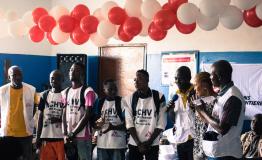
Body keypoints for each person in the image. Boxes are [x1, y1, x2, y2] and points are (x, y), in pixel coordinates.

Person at [196, 60, 245, 160]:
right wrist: (201, 110)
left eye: (211, 75)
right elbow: (212, 122)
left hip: (227, 154)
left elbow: (222, 129)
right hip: (217, 152)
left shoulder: (233, 97)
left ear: (219, 76)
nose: (210, 78)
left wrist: (202, 111)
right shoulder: (223, 94)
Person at [125, 69, 166, 160]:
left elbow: (161, 123)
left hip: (152, 142)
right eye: (135, 79)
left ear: (147, 80)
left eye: (139, 78)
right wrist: (139, 144)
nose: (136, 81)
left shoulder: (159, 97)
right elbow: (129, 123)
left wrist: (149, 142)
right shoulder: (129, 99)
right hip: (135, 142)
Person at [0, 65, 37, 160]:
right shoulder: (2, 91)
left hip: (26, 134)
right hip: (8, 134)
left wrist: (30, 121)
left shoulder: (31, 90)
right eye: (14, 75)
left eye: (19, 74)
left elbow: (36, 108)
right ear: (9, 77)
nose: (18, 77)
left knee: (27, 157)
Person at [62, 62, 97, 160]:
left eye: (75, 70)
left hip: (83, 137)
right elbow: (64, 114)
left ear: (82, 73)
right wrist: (65, 134)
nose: (71, 72)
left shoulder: (88, 91)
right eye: (71, 69)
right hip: (69, 138)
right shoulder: (66, 92)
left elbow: (87, 115)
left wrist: (73, 133)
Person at [167, 66, 195, 160]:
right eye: (176, 78)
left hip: (193, 137)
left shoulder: (196, 93)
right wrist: (171, 110)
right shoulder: (175, 95)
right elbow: (174, 119)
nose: (177, 81)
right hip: (180, 138)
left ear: (188, 78)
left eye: (181, 79)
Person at [36, 70, 65, 160]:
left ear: (62, 80)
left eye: (57, 78)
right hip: (46, 137)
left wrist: (58, 120)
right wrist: (38, 137)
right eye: (52, 78)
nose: (54, 80)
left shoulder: (66, 95)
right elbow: (40, 117)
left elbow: (69, 116)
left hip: (61, 138)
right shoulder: (44, 95)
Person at [95, 79, 126, 160]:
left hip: (117, 145)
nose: (113, 91)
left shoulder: (122, 102)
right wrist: (97, 124)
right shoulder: (100, 102)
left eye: (115, 89)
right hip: (102, 144)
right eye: (110, 89)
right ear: (104, 90)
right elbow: (95, 123)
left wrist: (113, 127)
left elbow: (128, 124)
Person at [191, 72, 217, 160]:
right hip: (197, 148)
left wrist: (198, 109)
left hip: (210, 150)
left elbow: (209, 124)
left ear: (204, 85)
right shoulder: (199, 101)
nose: (194, 88)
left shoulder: (217, 101)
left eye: (195, 85)